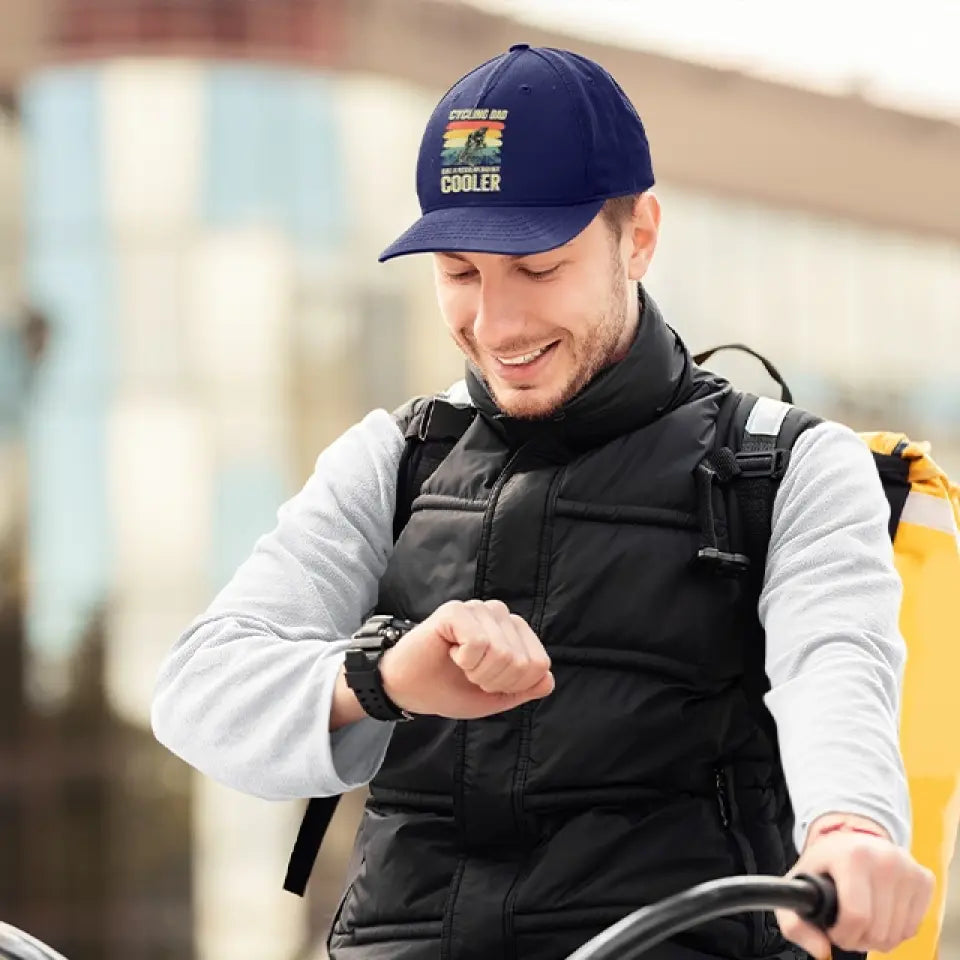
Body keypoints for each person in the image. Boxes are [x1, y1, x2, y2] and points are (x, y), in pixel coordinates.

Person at [151, 44, 934, 960]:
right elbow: (198, 690)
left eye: (537, 267)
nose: (496, 324)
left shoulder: (785, 464)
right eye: (460, 273)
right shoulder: (395, 458)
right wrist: (381, 676)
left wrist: (850, 830)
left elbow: (836, 664)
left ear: (638, 236)